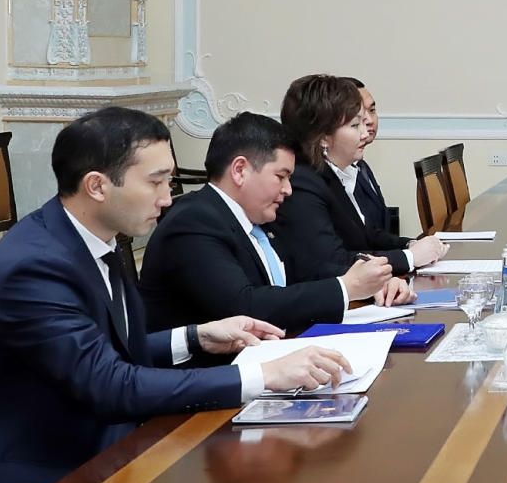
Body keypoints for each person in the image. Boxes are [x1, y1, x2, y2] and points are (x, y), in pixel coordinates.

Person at [0, 108, 350, 483]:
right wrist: (264, 377)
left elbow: (98, 353)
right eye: (155, 182)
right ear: (97, 185)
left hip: (99, 458)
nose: (168, 198)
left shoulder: (98, 239)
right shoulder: (33, 268)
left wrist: (194, 338)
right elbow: (109, 383)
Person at [140, 112, 404, 335]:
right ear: (240, 170)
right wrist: (346, 287)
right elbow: (246, 306)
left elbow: (303, 271)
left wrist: (372, 280)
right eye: (281, 176)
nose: (288, 189)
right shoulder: (193, 222)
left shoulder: (255, 218)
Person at [268, 74, 444, 284]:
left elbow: (363, 235)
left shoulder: (330, 173)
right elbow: (330, 261)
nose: (364, 133)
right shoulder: (301, 183)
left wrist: (411, 244)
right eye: (354, 126)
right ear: (323, 136)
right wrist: (410, 257)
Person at [345, 78, 391, 232]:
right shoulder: (339, 172)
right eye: (359, 114)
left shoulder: (360, 165)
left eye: (372, 110)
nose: (369, 120)